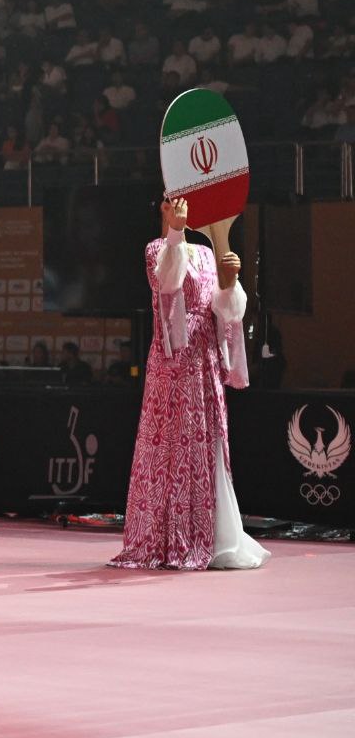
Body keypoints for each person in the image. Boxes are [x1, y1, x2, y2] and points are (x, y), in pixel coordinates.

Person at [110, 199, 267, 572]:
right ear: (164, 211)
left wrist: (230, 282)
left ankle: (216, 537)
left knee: (207, 442)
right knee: (170, 446)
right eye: (171, 205)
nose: (180, 209)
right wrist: (176, 231)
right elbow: (168, 281)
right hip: (173, 362)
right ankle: (168, 536)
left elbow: (226, 309)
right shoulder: (156, 249)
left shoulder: (207, 254)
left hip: (204, 358)